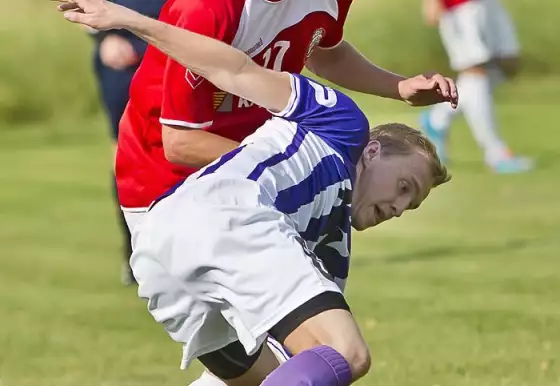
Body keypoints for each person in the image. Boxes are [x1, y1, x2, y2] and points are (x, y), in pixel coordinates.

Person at [57, 1, 453, 385]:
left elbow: (323, 50)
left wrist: (398, 85)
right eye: (405, 187)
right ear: (372, 149)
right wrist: (127, 19)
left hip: (162, 250)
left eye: (410, 204)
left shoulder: (326, 230)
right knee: (345, 353)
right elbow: (230, 73)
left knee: (282, 368)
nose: (399, 208)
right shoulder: (343, 125)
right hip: (191, 202)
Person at [89, 0, 165, 285]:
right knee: (128, 156)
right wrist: (102, 36)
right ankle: (135, 253)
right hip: (124, 52)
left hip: (186, 40)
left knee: (192, 149)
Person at [420, 0, 532, 173]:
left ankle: (438, 118)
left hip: (488, 4)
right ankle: (496, 154)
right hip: (461, 9)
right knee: (475, 71)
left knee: (508, 64)